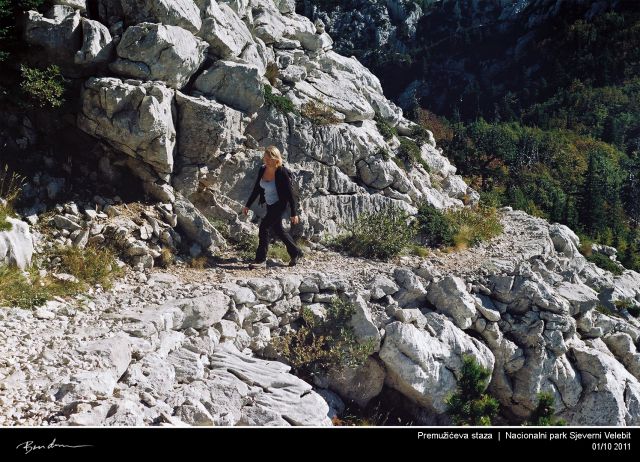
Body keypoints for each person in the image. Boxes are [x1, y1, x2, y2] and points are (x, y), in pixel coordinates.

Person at [242, 145, 304, 267]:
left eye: (269, 159)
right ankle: (296, 252)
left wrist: (293, 213)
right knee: (278, 230)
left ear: (276, 159)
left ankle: (260, 260)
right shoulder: (263, 169)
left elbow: (289, 194)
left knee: (264, 227)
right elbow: (257, 188)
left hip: (280, 204)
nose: (266, 161)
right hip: (269, 204)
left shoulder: (282, 172)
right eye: (265, 158)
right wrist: (247, 205)